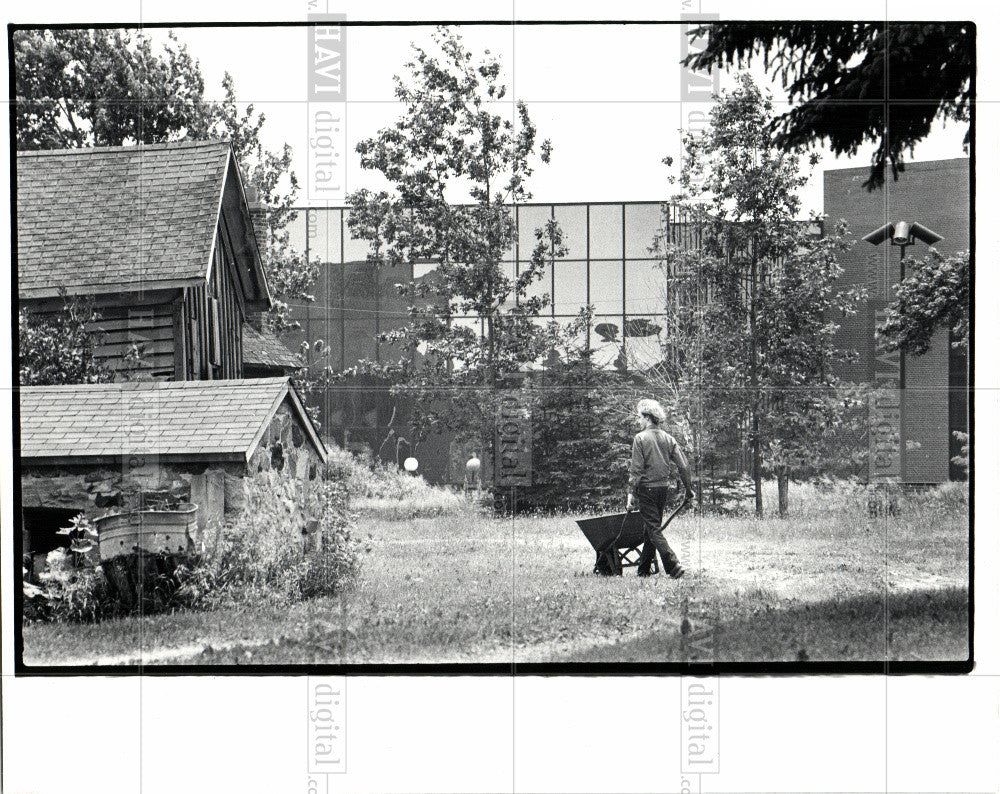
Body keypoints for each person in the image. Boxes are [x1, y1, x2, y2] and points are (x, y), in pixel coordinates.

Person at [626, 398, 695, 578]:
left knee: (653, 529)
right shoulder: (668, 438)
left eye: (640, 417)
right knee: (652, 528)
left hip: (646, 490)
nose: (639, 421)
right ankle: (643, 570)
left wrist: (631, 494)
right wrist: (688, 489)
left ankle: (673, 565)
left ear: (648, 417)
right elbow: (684, 466)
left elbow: (636, 471)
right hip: (662, 489)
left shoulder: (640, 438)